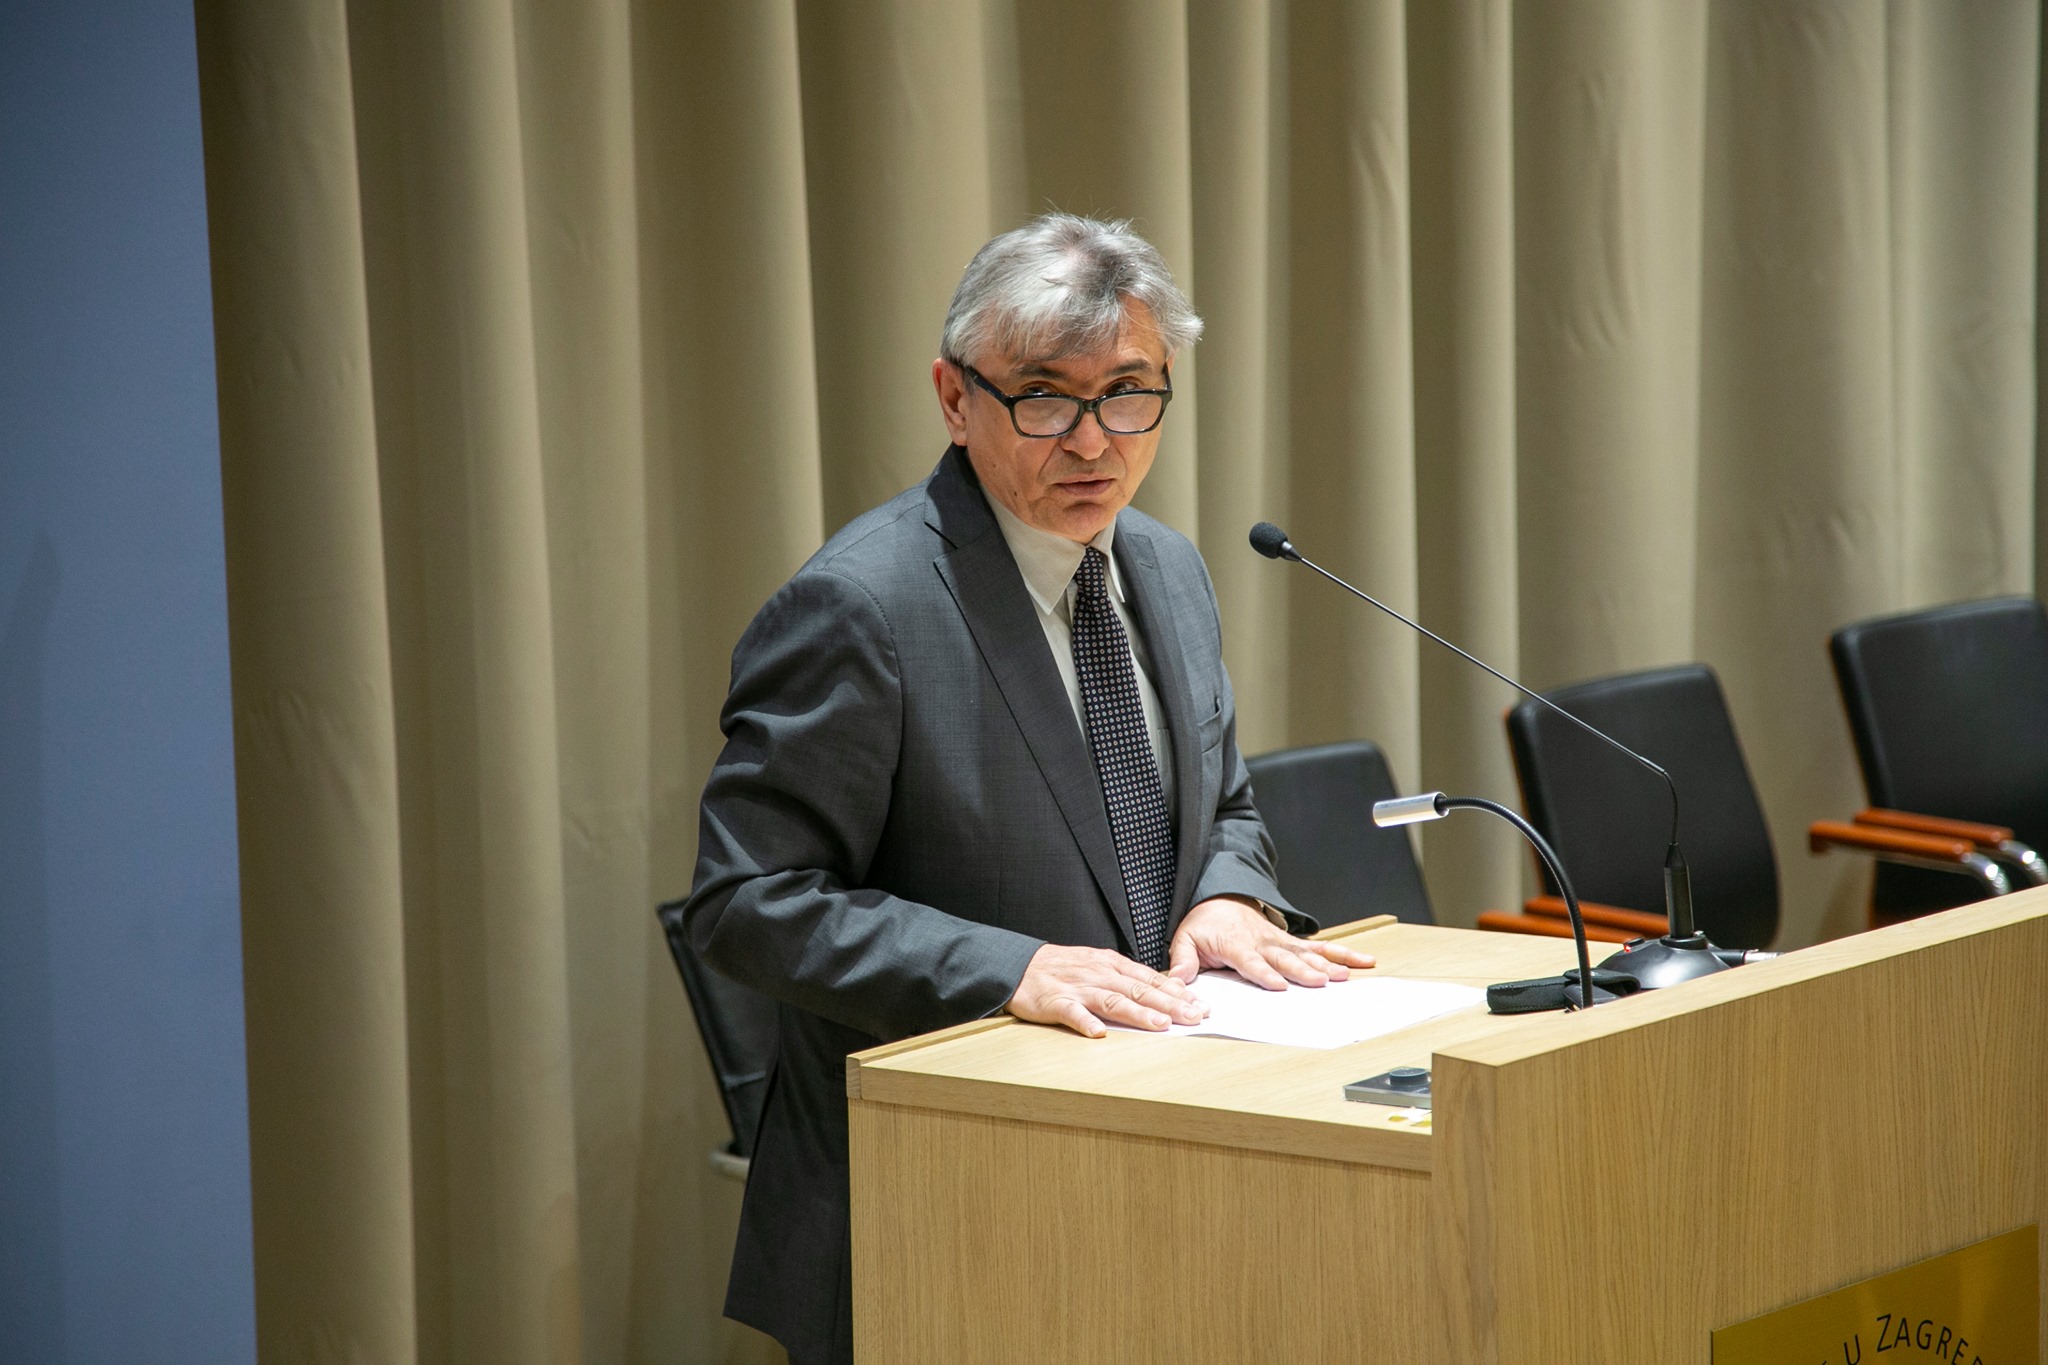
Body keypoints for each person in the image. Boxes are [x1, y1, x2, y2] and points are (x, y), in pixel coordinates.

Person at [683, 212, 1374, 1365]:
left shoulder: (1167, 567)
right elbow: (745, 902)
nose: (1093, 441)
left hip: (1154, 1161)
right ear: (954, 398)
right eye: (1045, 398)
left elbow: (1222, 807)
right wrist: (1010, 969)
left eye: (1129, 393)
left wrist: (1226, 894)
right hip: (938, 1202)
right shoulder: (862, 607)